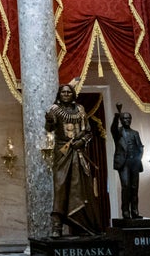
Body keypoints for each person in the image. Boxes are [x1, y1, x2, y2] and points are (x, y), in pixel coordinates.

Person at [44, 83, 102, 238]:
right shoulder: (55, 110)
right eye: (63, 92)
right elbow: (49, 128)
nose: (66, 94)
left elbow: (88, 132)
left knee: (81, 186)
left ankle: (83, 223)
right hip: (63, 152)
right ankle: (57, 225)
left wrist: (82, 142)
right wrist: (49, 121)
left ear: (73, 94)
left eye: (69, 92)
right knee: (61, 186)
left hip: (79, 151)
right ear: (59, 94)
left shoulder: (80, 110)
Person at [110, 103, 144, 219]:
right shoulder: (118, 132)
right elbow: (113, 128)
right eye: (124, 118)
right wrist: (116, 117)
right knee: (126, 187)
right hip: (123, 164)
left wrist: (138, 158)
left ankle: (135, 211)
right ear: (121, 120)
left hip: (134, 163)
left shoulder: (135, 133)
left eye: (129, 118)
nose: (127, 120)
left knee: (134, 188)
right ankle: (125, 211)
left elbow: (140, 147)